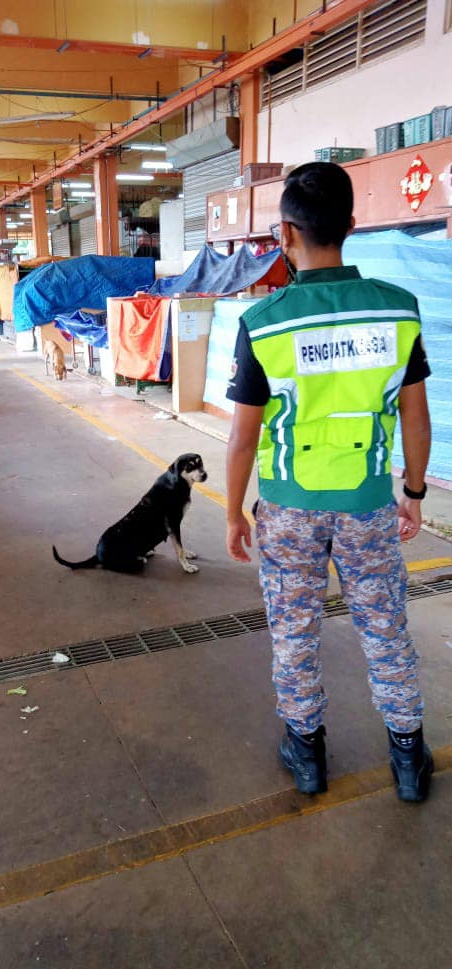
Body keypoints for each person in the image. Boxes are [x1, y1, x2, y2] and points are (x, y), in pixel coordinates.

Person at [225, 161, 433, 803]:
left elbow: (243, 436)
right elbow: (415, 415)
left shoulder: (265, 322)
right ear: (350, 225)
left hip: (289, 510)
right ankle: (407, 756)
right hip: (369, 507)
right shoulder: (399, 312)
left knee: (295, 630)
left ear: (286, 234)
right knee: (384, 626)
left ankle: (307, 753)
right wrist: (415, 492)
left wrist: (233, 512)